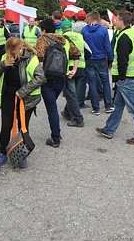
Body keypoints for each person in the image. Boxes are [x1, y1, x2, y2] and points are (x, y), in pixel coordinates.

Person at [0, 37, 45, 170]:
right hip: (8, 99)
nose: (13, 54)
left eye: (15, 51)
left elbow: (40, 78)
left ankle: (21, 155)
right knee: (5, 128)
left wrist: (23, 91)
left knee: (23, 127)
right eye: (10, 51)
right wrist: (3, 65)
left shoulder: (31, 57)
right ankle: (3, 153)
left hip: (26, 100)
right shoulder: (5, 57)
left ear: (21, 47)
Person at [95, 11, 134, 145]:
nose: (115, 22)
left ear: (122, 22)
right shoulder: (131, 33)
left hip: (127, 79)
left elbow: (123, 60)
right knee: (118, 105)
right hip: (130, 77)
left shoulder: (124, 37)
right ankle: (109, 129)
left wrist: (121, 78)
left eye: (117, 20)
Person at [35, 18, 80, 148]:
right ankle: (56, 132)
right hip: (61, 78)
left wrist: (38, 77)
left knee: (52, 109)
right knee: (52, 105)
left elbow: (40, 60)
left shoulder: (42, 40)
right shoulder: (64, 40)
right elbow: (77, 54)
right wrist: (74, 70)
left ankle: (55, 138)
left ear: (43, 30)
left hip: (47, 79)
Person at [80, 10, 114, 115]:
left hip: (89, 59)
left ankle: (95, 107)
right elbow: (107, 46)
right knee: (105, 82)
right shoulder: (103, 30)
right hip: (101, 58)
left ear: (90, 18)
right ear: (98, 19)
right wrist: (111, 59)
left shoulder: (84, 30)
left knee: (92, 83)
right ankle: (108, 105)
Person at [61, 25, 86, 129]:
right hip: (81, 67)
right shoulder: (80, 36)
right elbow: (88, 51)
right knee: (72, 93)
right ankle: (67, 112)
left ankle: (77, 119)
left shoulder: (64, 38)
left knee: (71, 94)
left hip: (71, 68)